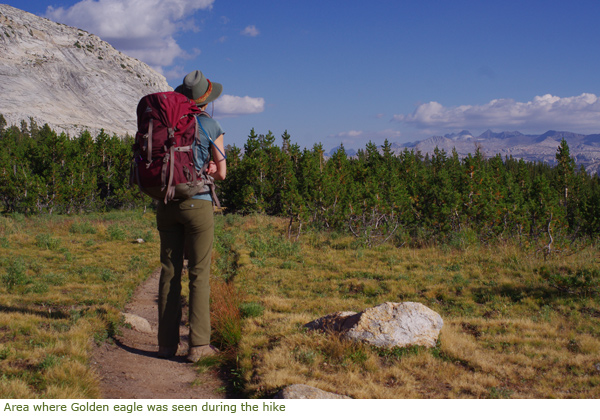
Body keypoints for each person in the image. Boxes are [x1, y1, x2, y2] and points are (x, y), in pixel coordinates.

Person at [156, 70, 227, 363]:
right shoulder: (209, 124)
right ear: (205, 100)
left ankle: (165, 345)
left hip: (166, 202)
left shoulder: (164, 122)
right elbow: (221, 173)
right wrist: (210, 166)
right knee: (199, 273)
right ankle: (198, 346)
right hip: (197, 204)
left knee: (169, 272)